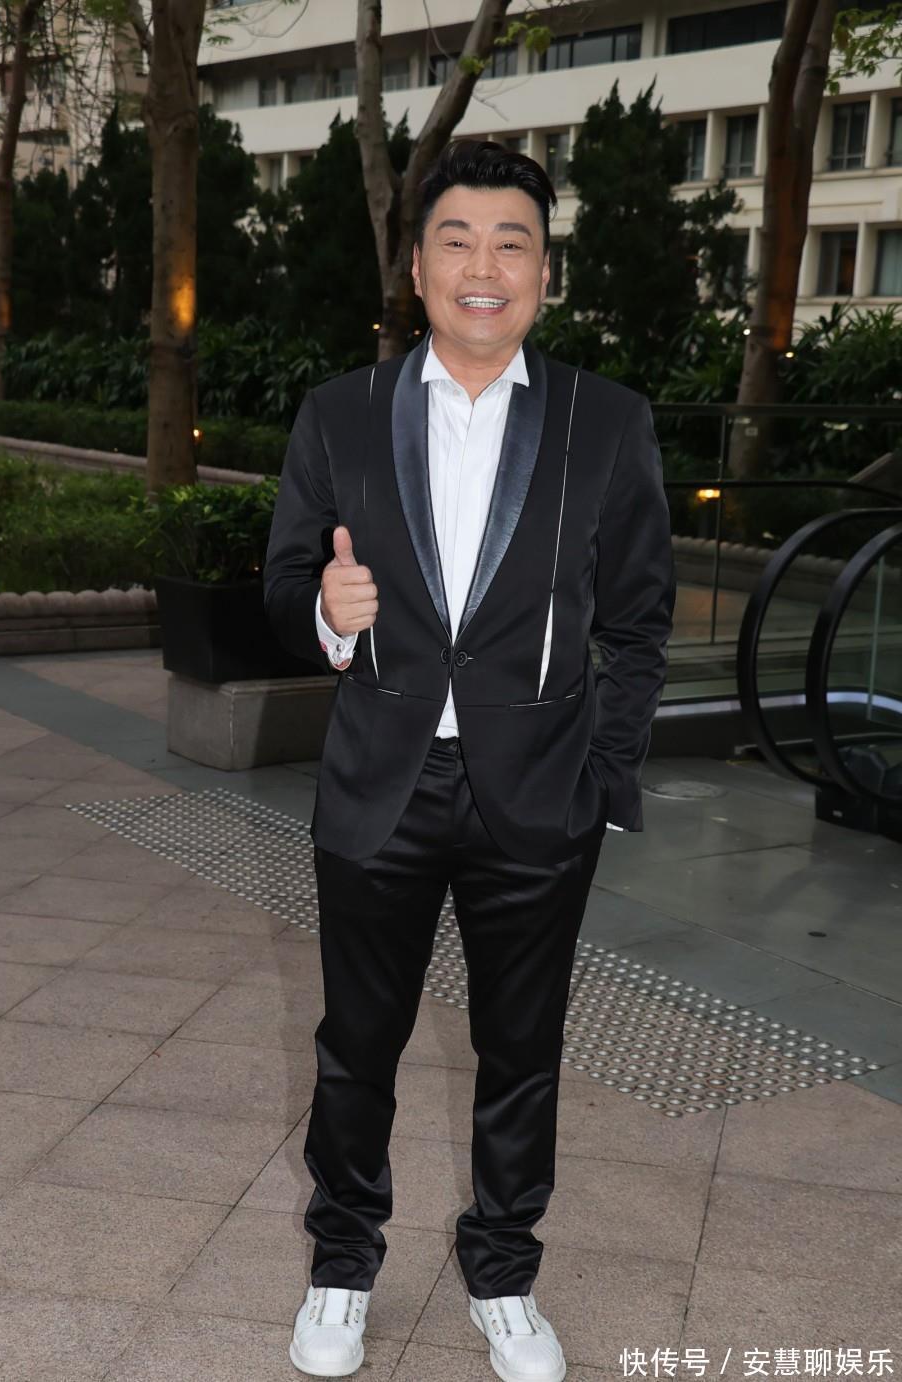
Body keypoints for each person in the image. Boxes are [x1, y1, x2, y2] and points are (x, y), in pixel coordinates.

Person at [263, 138, 676, 1382]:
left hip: (537, 794)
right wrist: (328, 609)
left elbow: (638, 622)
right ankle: (342, 1263)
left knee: (522, 1051)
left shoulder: (608, 421)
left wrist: (601, 777)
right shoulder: (340, 412)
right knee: (356, 1047)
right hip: (380, 783)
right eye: (457, 239)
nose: (482, 265)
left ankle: (503, 1271)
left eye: (511, 242)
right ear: (418, 266)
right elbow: (283, 584)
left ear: (544, 272)